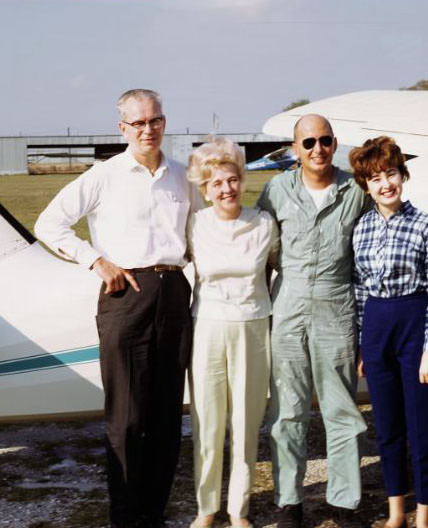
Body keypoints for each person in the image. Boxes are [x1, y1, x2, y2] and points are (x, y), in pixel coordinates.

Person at [34, 89, 203, 528]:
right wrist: (95, 260)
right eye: (139, 123)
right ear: (123, 128)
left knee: (167, 415)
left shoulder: (184, 176)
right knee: (127, 416)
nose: (148, 130)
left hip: (172, 292)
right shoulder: (103, 176)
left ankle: (154, 512)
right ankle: (126, 517)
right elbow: (49, 223)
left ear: (165, 122)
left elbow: (202, 234)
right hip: (125, 294)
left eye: (156, 121)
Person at [256, 114, 368, 528]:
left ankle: (344, 502)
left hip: (337, 308)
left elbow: (368, 254)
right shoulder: (276, 190)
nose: (317, 149)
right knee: (287, 412)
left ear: (334, 144)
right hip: (287, 310)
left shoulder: (355, 191)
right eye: (308, 143)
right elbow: (261, 252)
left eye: (324, 141)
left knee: (343, 411)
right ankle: (289, 502)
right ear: (294, 149)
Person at [349, 136, 428, 528]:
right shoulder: (360, 229)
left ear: (402, 174)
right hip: (376, 328)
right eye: (375, 178)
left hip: (415, 324)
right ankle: (396, 513)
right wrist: (363, 344)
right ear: (365, 184)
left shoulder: (426, 225)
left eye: (390, 173)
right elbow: (359, 289)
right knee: (388, 427)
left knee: (422, 427)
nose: (384, 184)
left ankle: (424, 514)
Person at [185, 137, 279, 528]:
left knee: (245, 422)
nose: (226, 189)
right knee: (207, 422)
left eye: (232, 180)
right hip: (207, 325)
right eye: (217, 184)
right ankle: (207, 507)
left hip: (253, 327)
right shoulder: (195, 224)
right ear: (205, 191)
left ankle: (239, 510)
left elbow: (280, 269)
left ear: (242, 181)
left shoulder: (263, 224)